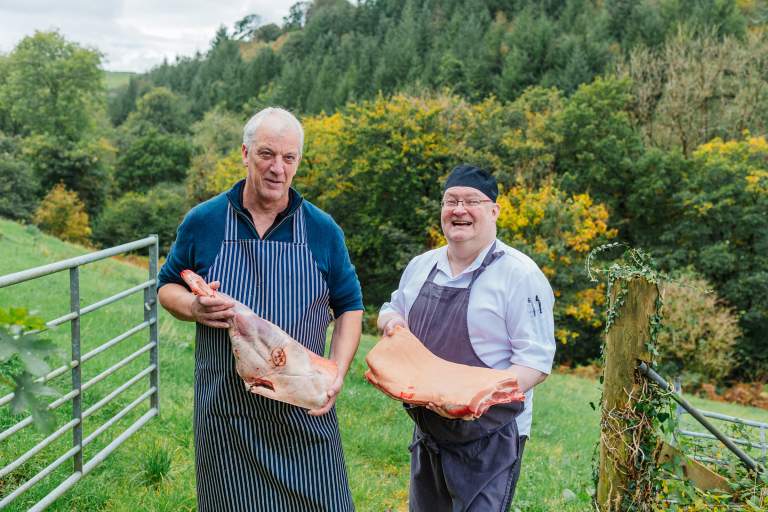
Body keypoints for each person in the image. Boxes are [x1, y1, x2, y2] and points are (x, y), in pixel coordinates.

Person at [157, 107, 363, 511]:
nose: (277, 169)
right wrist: (193, 308)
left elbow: (351, 308)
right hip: (228, 412)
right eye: (267, 154)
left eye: (289, 158)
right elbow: (166, 285)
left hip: (304, 410)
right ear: (245, 153)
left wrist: (336, 371)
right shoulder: (205, 220)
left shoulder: (322, 230)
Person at [377, 164, 556, 511]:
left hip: (491, 438)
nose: (459, 210)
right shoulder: (421, 266)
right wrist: (393, 323)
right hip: (429, 430)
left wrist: (473, 394)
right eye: (450, 201)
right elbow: (390, 308)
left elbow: (536, 364)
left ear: (494, 211)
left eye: (471, 201)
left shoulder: (520, 275)